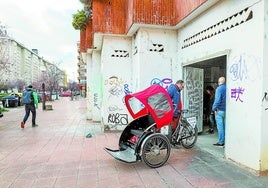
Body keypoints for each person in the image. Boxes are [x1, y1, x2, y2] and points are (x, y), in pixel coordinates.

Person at [212, 77, 226, 146]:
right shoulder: (227, 88)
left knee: (220, 127)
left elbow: (217, 100)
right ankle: (226, 141)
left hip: (219, 110)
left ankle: (221, 142)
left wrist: (213, 108)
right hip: (226, 111)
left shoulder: (219, 89)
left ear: (219, 82)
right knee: (225, 127)